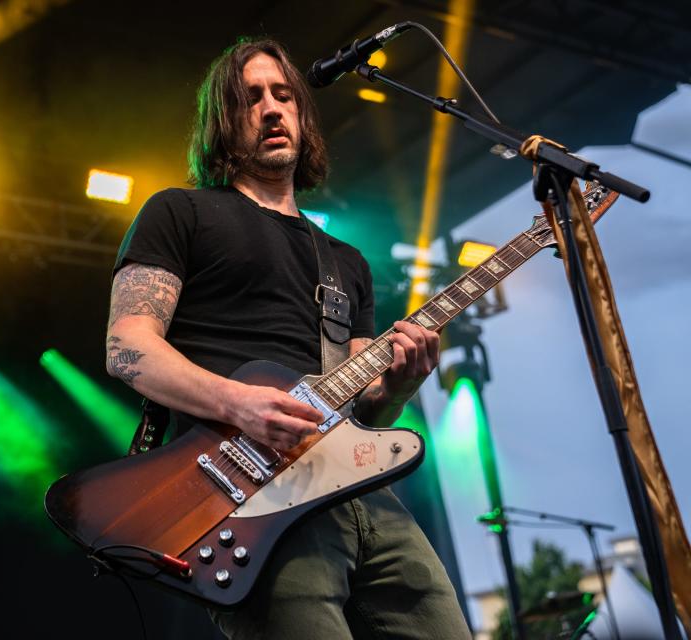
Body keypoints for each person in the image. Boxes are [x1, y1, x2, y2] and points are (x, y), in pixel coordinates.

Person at [106, 38, 471, 639]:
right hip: (251, 503)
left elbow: (366, 409)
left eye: (284, 95)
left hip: (361, 493)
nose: (272, 109)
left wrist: (401, 387)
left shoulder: (344, 262)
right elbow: (127, 346)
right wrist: (238, 402)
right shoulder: (181, 213)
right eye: (251, 98)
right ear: (223, 122)